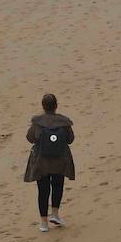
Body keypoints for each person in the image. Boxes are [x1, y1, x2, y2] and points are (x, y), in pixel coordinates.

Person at [23, 94, 75, 233]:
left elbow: (29, 138)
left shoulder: (37, 122)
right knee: (57, 186)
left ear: (43, 106)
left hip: (41, 162)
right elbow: (70, 139)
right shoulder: (64, 122)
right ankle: (55, 214)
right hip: (59, 160)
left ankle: (44, 223)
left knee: (43, 191)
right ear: (56, 106)